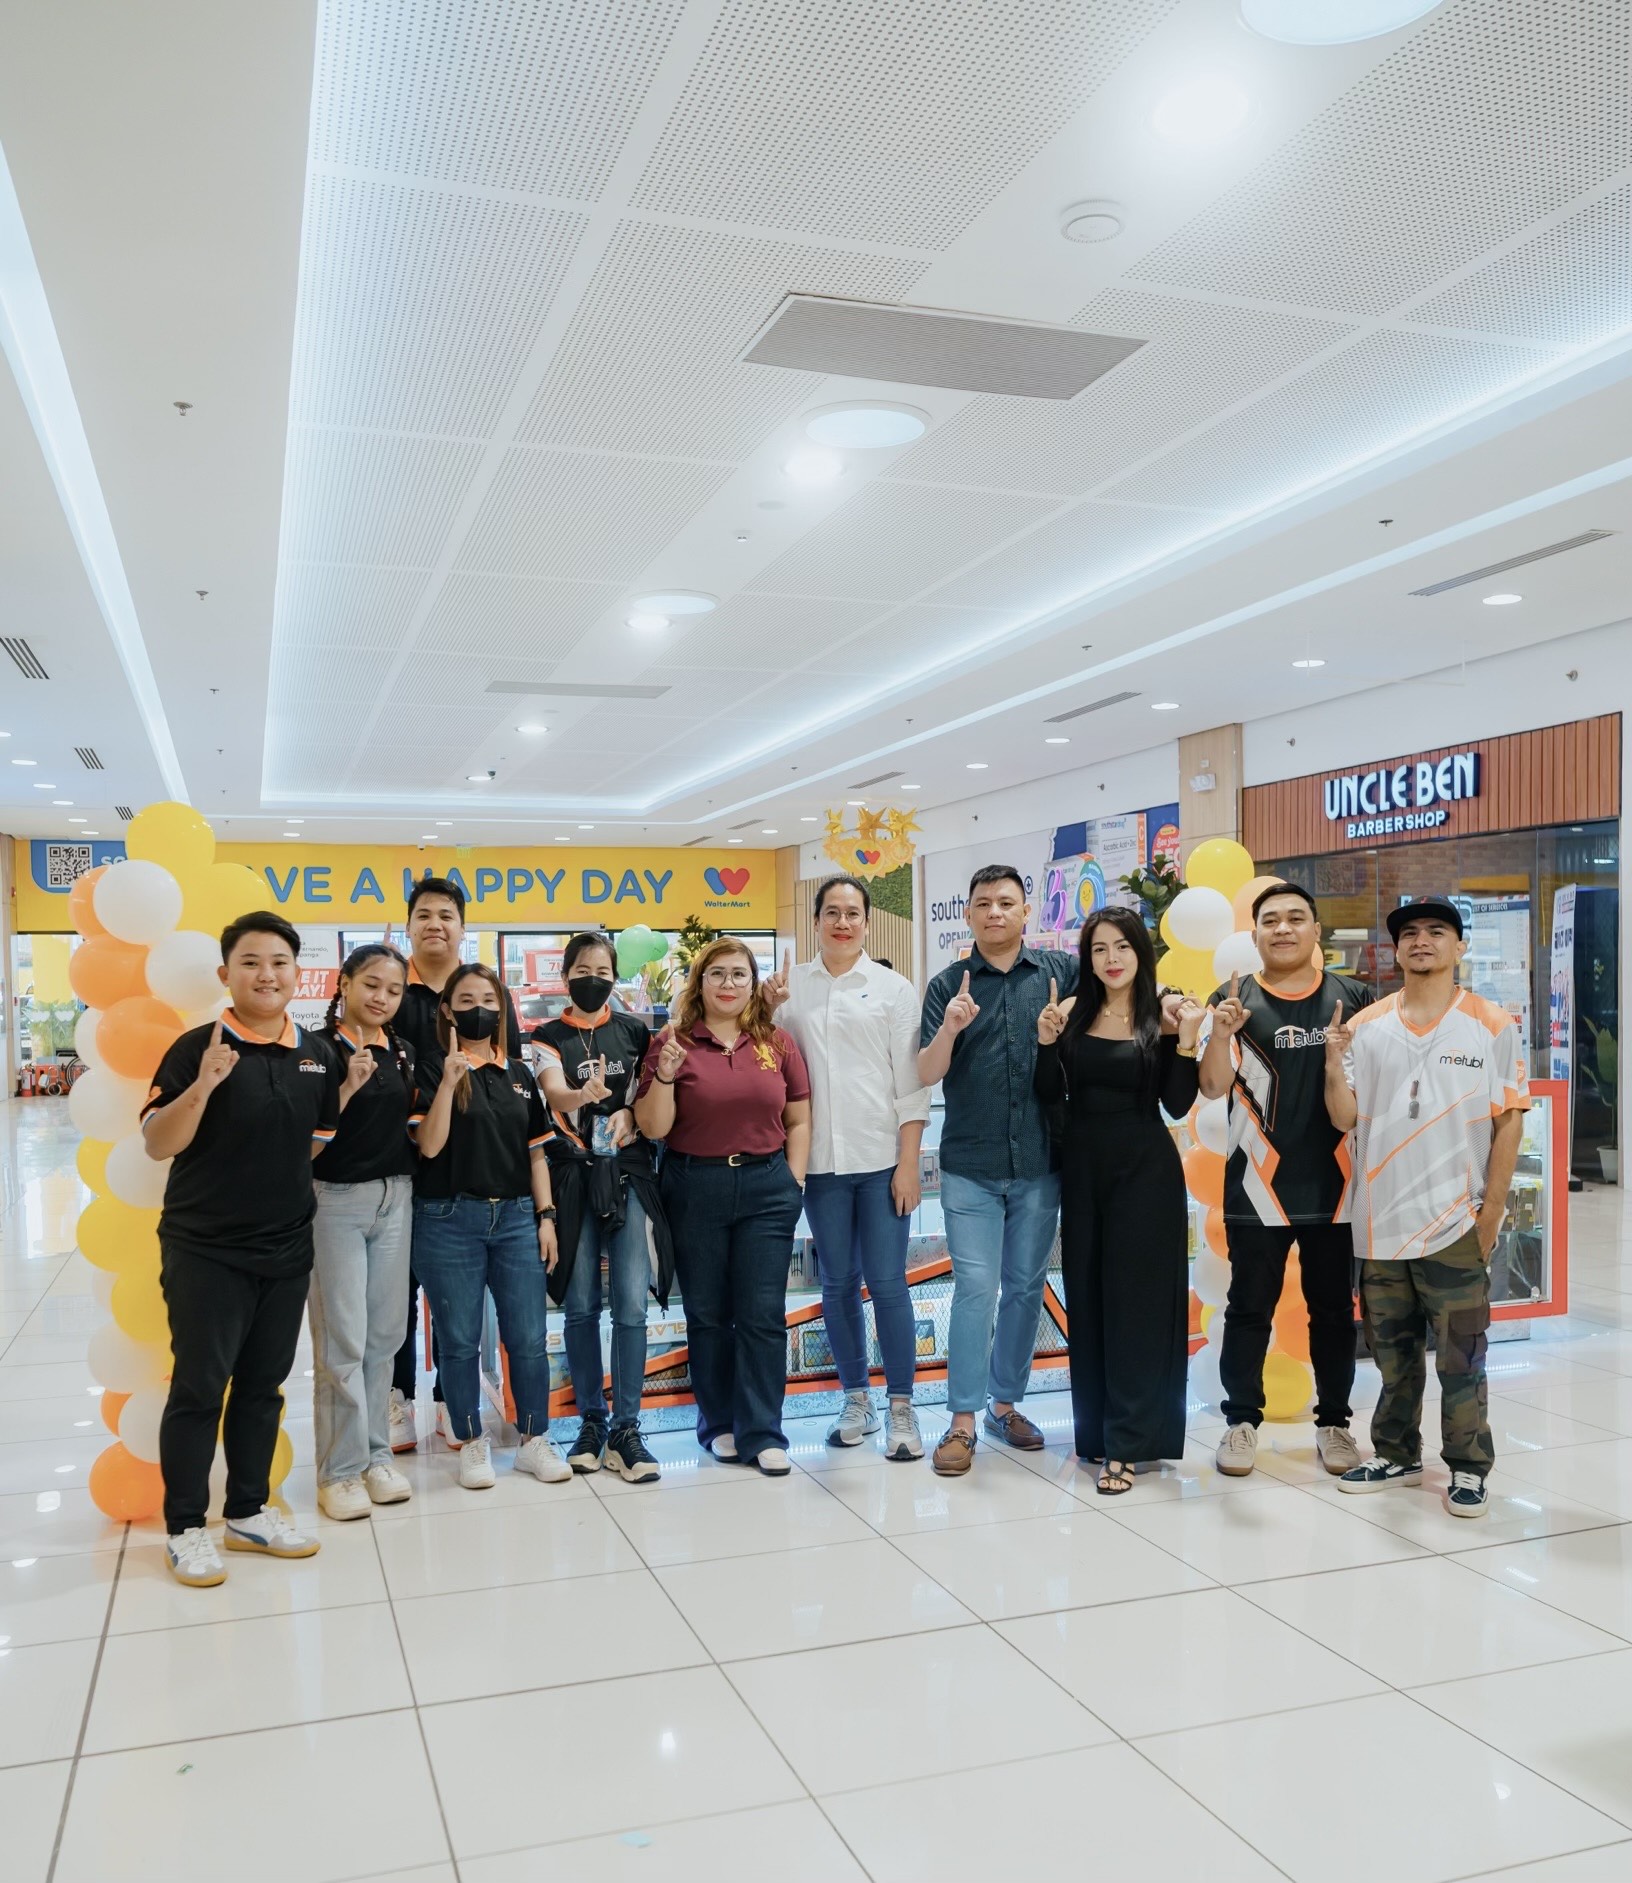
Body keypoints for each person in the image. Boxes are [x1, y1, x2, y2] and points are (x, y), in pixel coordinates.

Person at [142, 912, 342, 1588]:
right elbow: (158, 1143)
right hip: (206, 1249)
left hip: (285, 1248)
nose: (267, 974)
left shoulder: (316, 1053)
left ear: (297, 972)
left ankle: (248, 1512)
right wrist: (205, 1084)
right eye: (251, 962)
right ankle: (185, 1527)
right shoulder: (193, 1048)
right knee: (200, 1388)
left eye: (280, 962)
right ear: (225, 974)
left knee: (262, 1386)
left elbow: (313, 1142)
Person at [1324, 896, 1528, 1519]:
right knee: (1393, 1356)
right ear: (1396, 950)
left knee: (1462, 1356)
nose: (1421, 941)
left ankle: (1468, 1466)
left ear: (1459, 946)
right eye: (1409, 933)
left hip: (1455, 1221)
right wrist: (1331, 1062)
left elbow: (1509, 1121)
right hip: (1380, 1220)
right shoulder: (1366, 1026)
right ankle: (1397, 1454)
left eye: (1437, 931)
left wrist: (1491, 1213)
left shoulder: (1491, 1023)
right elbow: (1344, 1117)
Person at [1198, 883, 1368, 1479]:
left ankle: (1335, 1424)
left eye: (1297, 918)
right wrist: (1221, 1034)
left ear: (1316, 931)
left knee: (1333, 1312)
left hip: (1336, 1184)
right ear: (1255, 935)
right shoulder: (1232, 999)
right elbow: (1212, 1086)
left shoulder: (1355, 999)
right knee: (1249, 1309)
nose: (1284, 928)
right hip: (1256, 1187)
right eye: (1271, 920)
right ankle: (1241, 1421)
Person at [917, 866, 1078, 1477]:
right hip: (971, 1164)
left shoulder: (1061, 973)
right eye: (983, 903)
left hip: (1041, 1160)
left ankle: (1004, 1406)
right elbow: (927, 1072)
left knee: (1026, 1288)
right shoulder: (947, 985)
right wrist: (951, 1028)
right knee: (976, 1289)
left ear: (1025, 911)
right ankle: (961, 1421)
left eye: (1006, 902)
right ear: (968, 914)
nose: (994, 913)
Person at [1035, 910, 1204, 1491]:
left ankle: (1129, 1443)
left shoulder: (1163, 1015)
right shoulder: (1072, 1012)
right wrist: (1045, 1044)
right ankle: (1098, 1435)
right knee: (1088, 1301)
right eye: (1099, 948)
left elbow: (1177, 1104)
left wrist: (1186, 1043)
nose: (1111, 958)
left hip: (1145, 1173)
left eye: (1122, 947)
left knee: (1138, 1306)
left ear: (1140, 953)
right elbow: (1048, 1093)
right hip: (1083, 1172)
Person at [766, 877, 930, 1459]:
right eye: (831, 912)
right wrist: (765, 1009)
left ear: (866, 922)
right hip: (821, 1166)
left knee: (887, 1283)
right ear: (815, 921)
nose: (842, 922)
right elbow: (770, 1067)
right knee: (837, 1283)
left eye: (852, 913)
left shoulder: (893, 989)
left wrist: (908, 1164)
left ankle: (902, 1405)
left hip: (881, 1161)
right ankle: (856, 1397)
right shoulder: (790, 991)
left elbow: (911, 1087)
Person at [634, 937, 811, 1475]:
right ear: (700, 982)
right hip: (694, 1187)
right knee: (708, 1315)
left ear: (753, 984)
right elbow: (654, 1127)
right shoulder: (672, 1042)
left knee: (762, 1314)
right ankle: (718, 1426)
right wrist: (666, 1074)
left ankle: (764, 1431)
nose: (728, 984)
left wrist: (793, 1182)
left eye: (739, 974)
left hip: (767, 1189)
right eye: (717, 974)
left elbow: (800, 1117)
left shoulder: (777, 1042)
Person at [408, 962, 566, 1492]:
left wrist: (546, 1217)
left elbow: (537, 1154)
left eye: (490, 1001)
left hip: (517, 1218)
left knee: (528, 1337)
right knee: (458, 1341)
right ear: (448, 1011)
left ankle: (534, 1439)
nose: (480, 1010)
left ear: (502, 1011)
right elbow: (429, 1146)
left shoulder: (518, 1073)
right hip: (448, 1220)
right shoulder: (432, 1068)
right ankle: (471, 1440)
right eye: (467, 1001)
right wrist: (450, 1083)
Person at [533, 931, 673, 1483]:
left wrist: (630, 1116)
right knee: (581, 1305)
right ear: (565, 975)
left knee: (632, 1306)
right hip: (573, 1179)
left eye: (603, 971)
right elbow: (553, 1092)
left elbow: (650, 1098)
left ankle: (627, 1428)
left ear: (616, 977)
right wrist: (581, 1096)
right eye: (583, 970)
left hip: (629, 1176)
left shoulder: (636, 1032)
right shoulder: (547, 1036)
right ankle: (591, 1422)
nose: (593, 979)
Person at [390, 877, 522, 1453]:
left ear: (463, 927)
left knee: (458, 1299)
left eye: (446, 915)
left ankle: (451, 1398)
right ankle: (397, 1398)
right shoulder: (392, 987)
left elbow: (510, 1073)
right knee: (398, 1293)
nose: (435, 924)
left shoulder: (484, 994)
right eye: (424, 914)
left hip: (464, 1172)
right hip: (396, 1164)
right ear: (409, 925)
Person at [307, 943, 417, 1520]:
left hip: (396, 1198)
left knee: (385, 1336)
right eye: (371, 984)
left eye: (394, 990)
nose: (382, 998)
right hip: (335, 1202)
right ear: (344, 982)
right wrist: (345, 1088)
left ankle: (376, 1456)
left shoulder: (401, 1050)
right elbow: (302, 1140)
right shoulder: (315, 1050)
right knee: (343, 1339)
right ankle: (339, 1471)